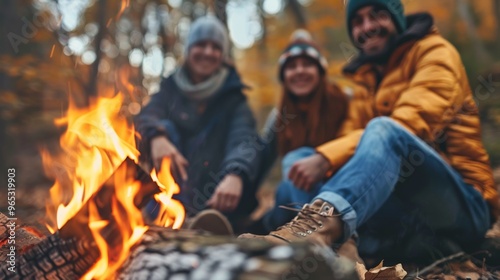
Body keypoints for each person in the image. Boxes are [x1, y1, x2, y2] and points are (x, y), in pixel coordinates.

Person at [241, 0, 500, 264]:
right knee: (297, 159)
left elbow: (411, 124)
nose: (367, 27)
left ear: (397, 19)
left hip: (463, 204)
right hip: (402, 208)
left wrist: (325, 157)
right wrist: (318, 160)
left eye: (377, 15)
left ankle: (316, 230)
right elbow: (349, 150)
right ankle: (342, 250)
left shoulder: (435, 53)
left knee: (384, 129)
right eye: (358, 21)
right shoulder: (365, 80)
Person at [135, 16, 259, 233]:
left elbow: (244, 139)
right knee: (166, 128)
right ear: (189, 50)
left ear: (222, 55)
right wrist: (156, 136)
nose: (208, 52)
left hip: (215, 200)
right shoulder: (170, 88)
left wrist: (236, 173)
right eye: (201, 44)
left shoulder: (234, 97)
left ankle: (203, 222)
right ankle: (169, 217)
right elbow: (146, 116)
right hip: (171, 194)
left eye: (215, 47)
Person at [254, 29, 349, 232]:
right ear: (284, 76)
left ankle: (320, 235)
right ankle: (260, 229)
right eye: (291, 67)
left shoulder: (343, 100)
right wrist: (236, 181)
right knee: (283, 192)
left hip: (339, 187)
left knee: (294, 159)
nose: (299, 71)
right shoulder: (279, 117)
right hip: (296, 192)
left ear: (320, 71)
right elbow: (260, 161)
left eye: (307, 64)